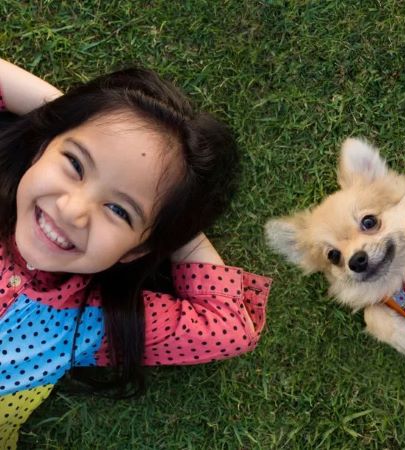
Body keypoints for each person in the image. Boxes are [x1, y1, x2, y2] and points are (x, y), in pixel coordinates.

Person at [0, 59, 271, 448]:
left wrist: (174, 229)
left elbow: (229, 324)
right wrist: (65, 115)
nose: (72, 211)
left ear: (137, 249)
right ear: (43, 145)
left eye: (119, 211)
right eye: (74, 163)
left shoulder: (91, 323)